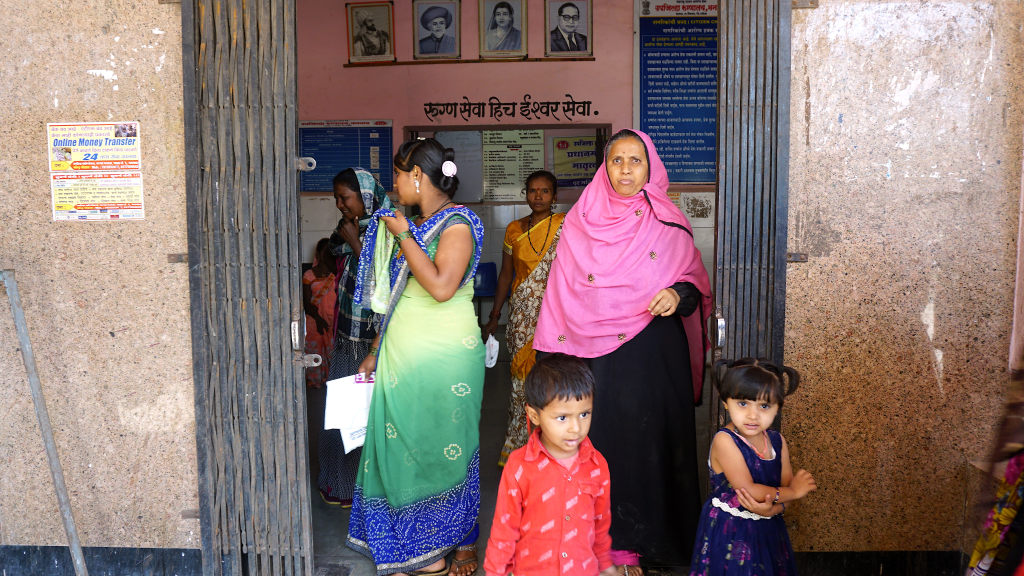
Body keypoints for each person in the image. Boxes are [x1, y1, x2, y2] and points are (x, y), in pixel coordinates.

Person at [533, 129, 712, 574]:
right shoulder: (580, 221)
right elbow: (564, 290)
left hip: (652, 356)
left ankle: (655, 546)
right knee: (603, 446)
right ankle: (604, 546)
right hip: (593, 359)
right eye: (617, 160)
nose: (627, 169)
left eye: (636, 160)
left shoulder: (668, 220)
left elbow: (693, 281)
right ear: (604, 166)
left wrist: (676, 294)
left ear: (651, 167)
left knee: (651, 446)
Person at [348, 139, 485, 576]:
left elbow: (442, 287)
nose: (394, 185)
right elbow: (395, 297)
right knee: (401, 442)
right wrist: (373, 350)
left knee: (442, 447)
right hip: (400, 353)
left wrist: (403, 233)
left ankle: (449, 542)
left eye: (398, 176)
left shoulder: (457, 224)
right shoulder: (418, 222)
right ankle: (411, 545)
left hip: (445, 359)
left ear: (418, 177)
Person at [483, 353, 617, 576]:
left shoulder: (597, 464)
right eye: (562, 418)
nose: (576, 427)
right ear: (534, 415)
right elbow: (504, 530)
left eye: (584, 414)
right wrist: (495, 572)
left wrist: (605, 563)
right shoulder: (518, 466)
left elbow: (600, 522)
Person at [689, 358, 816, 576]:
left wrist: (774, 509)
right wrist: (795, 492)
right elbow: (749, 489)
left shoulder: (777, 441)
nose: (752, 415)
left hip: (768, 529)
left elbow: (783, 493)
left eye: (765, 406)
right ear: (725, 401)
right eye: (743, 403)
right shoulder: (725, 440)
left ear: (778, 407)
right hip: (731, 531)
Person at [317, 168, 394, 506]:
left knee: (367, 419)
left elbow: (386, 282)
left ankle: (366, 491)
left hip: (374, 340)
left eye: (344, 197)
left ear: (364, 197)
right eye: (336, 197)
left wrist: (355, 243)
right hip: (349, 335)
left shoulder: (388, 229)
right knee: (344, 416)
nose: (339, 204)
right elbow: (335, 255)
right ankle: (339, 485)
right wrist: (348, 239)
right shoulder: (346, 229)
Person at [480, 170, 565, 467]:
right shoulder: (514, 229)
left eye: (544, 191)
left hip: (557, 315)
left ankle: (555, 443)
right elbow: (506, 275)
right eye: (532, 190)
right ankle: (518, 443)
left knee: (554, 379)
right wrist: (494, 316)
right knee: (520, 380)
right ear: (525, 194)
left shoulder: (565, 226)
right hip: (521, 315)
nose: (538, 196)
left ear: (555, 196)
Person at [303, 238, 337, 388]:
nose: (328, 255)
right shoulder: (309, 275)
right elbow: (306, 302)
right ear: (318, 253)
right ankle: (315, 381)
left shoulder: (336, 272)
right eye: (325, 252)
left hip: (333, 318)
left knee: (332, 350)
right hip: (314, 319)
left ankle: (332, 381)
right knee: (314, 349)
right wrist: (318, 319)